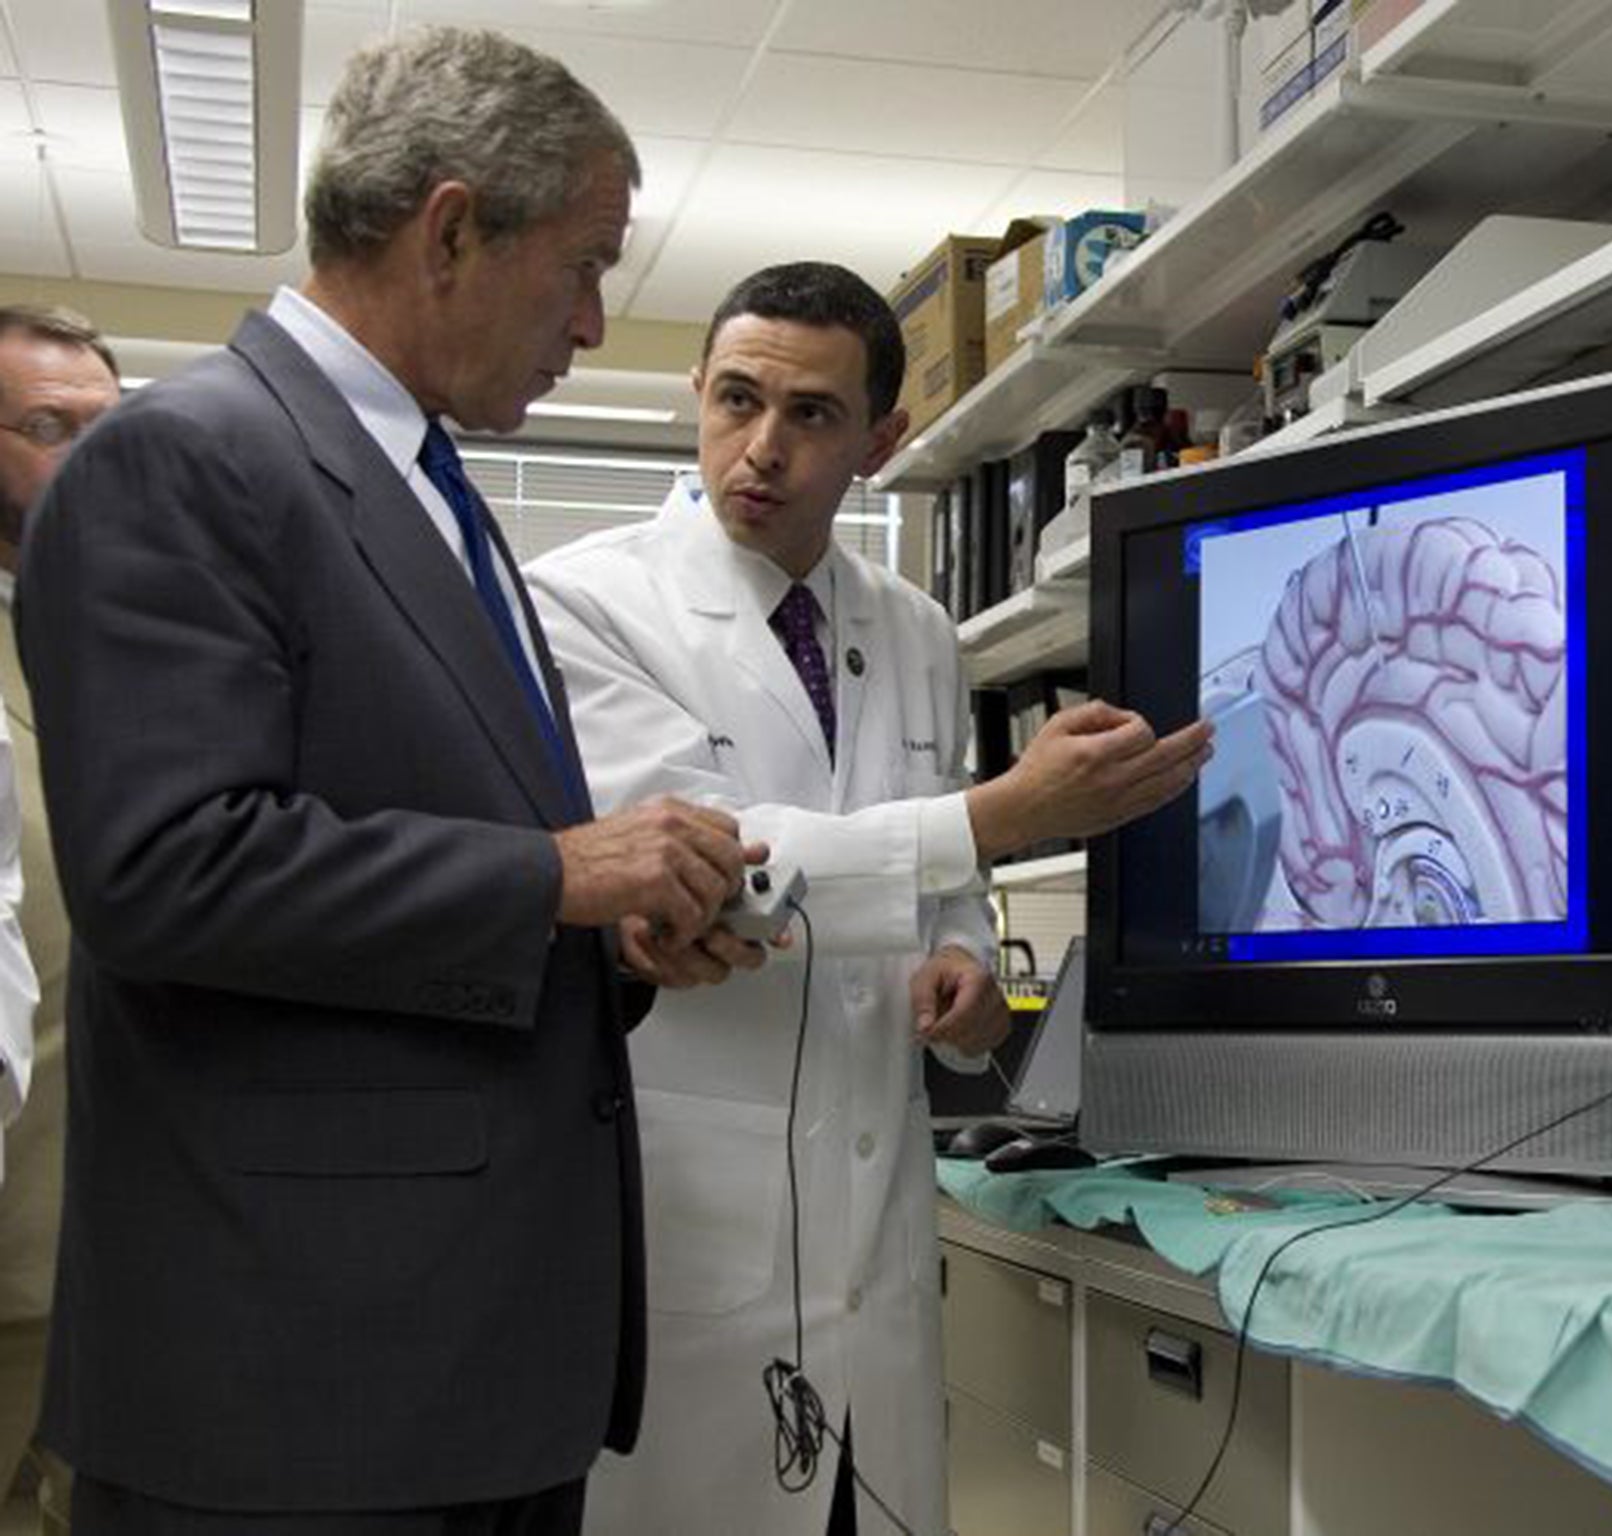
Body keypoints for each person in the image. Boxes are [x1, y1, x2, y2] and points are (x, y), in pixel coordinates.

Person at [17, 28, 762, 1534]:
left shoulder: (433, 492)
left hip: (465, 1373)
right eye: (585, 265)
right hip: (292, 1395)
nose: (595, 320)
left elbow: (424, 851)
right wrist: (559, 874)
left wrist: (604, 930)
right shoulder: (188, 459)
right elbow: (168, 869)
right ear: (450, 228)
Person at [527, 261, 1212, 1536]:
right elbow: (706, 872)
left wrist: (958, 963)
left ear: (881, 442)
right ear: (697, 392)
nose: (761, 448)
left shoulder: (913, 630)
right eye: (735, 401)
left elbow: (936, 871)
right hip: (695, 1233)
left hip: (875, 1233)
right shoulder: (586, 603)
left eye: (811, 417)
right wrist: (1005, 813)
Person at [0, 301, 119, 1536]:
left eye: (108, 431)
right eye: (49, 429)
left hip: (122, 1249)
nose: (91, 465)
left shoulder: (140, 643)